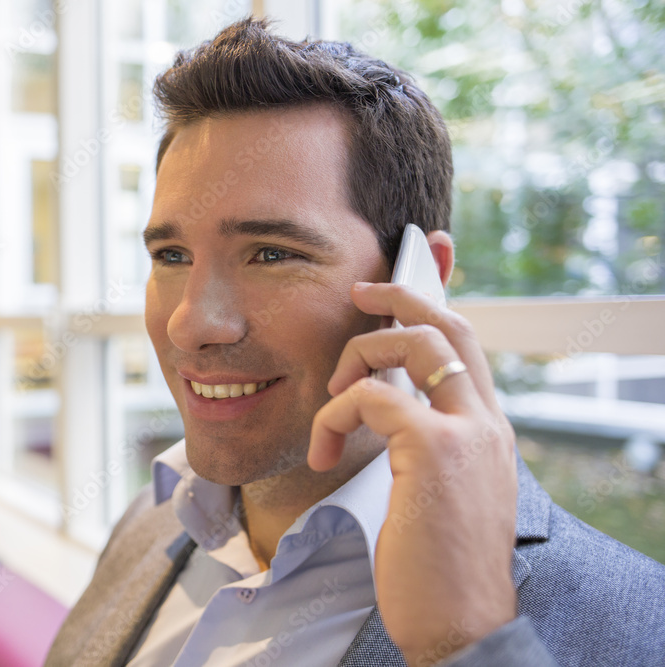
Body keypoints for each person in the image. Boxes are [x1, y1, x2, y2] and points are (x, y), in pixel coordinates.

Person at [46, 17, 665, 667]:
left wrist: (467, 645)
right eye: (171, 254)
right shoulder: (152, 517)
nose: (190, 325)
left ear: (423, 279)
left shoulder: (637, 627)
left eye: (270, 253)